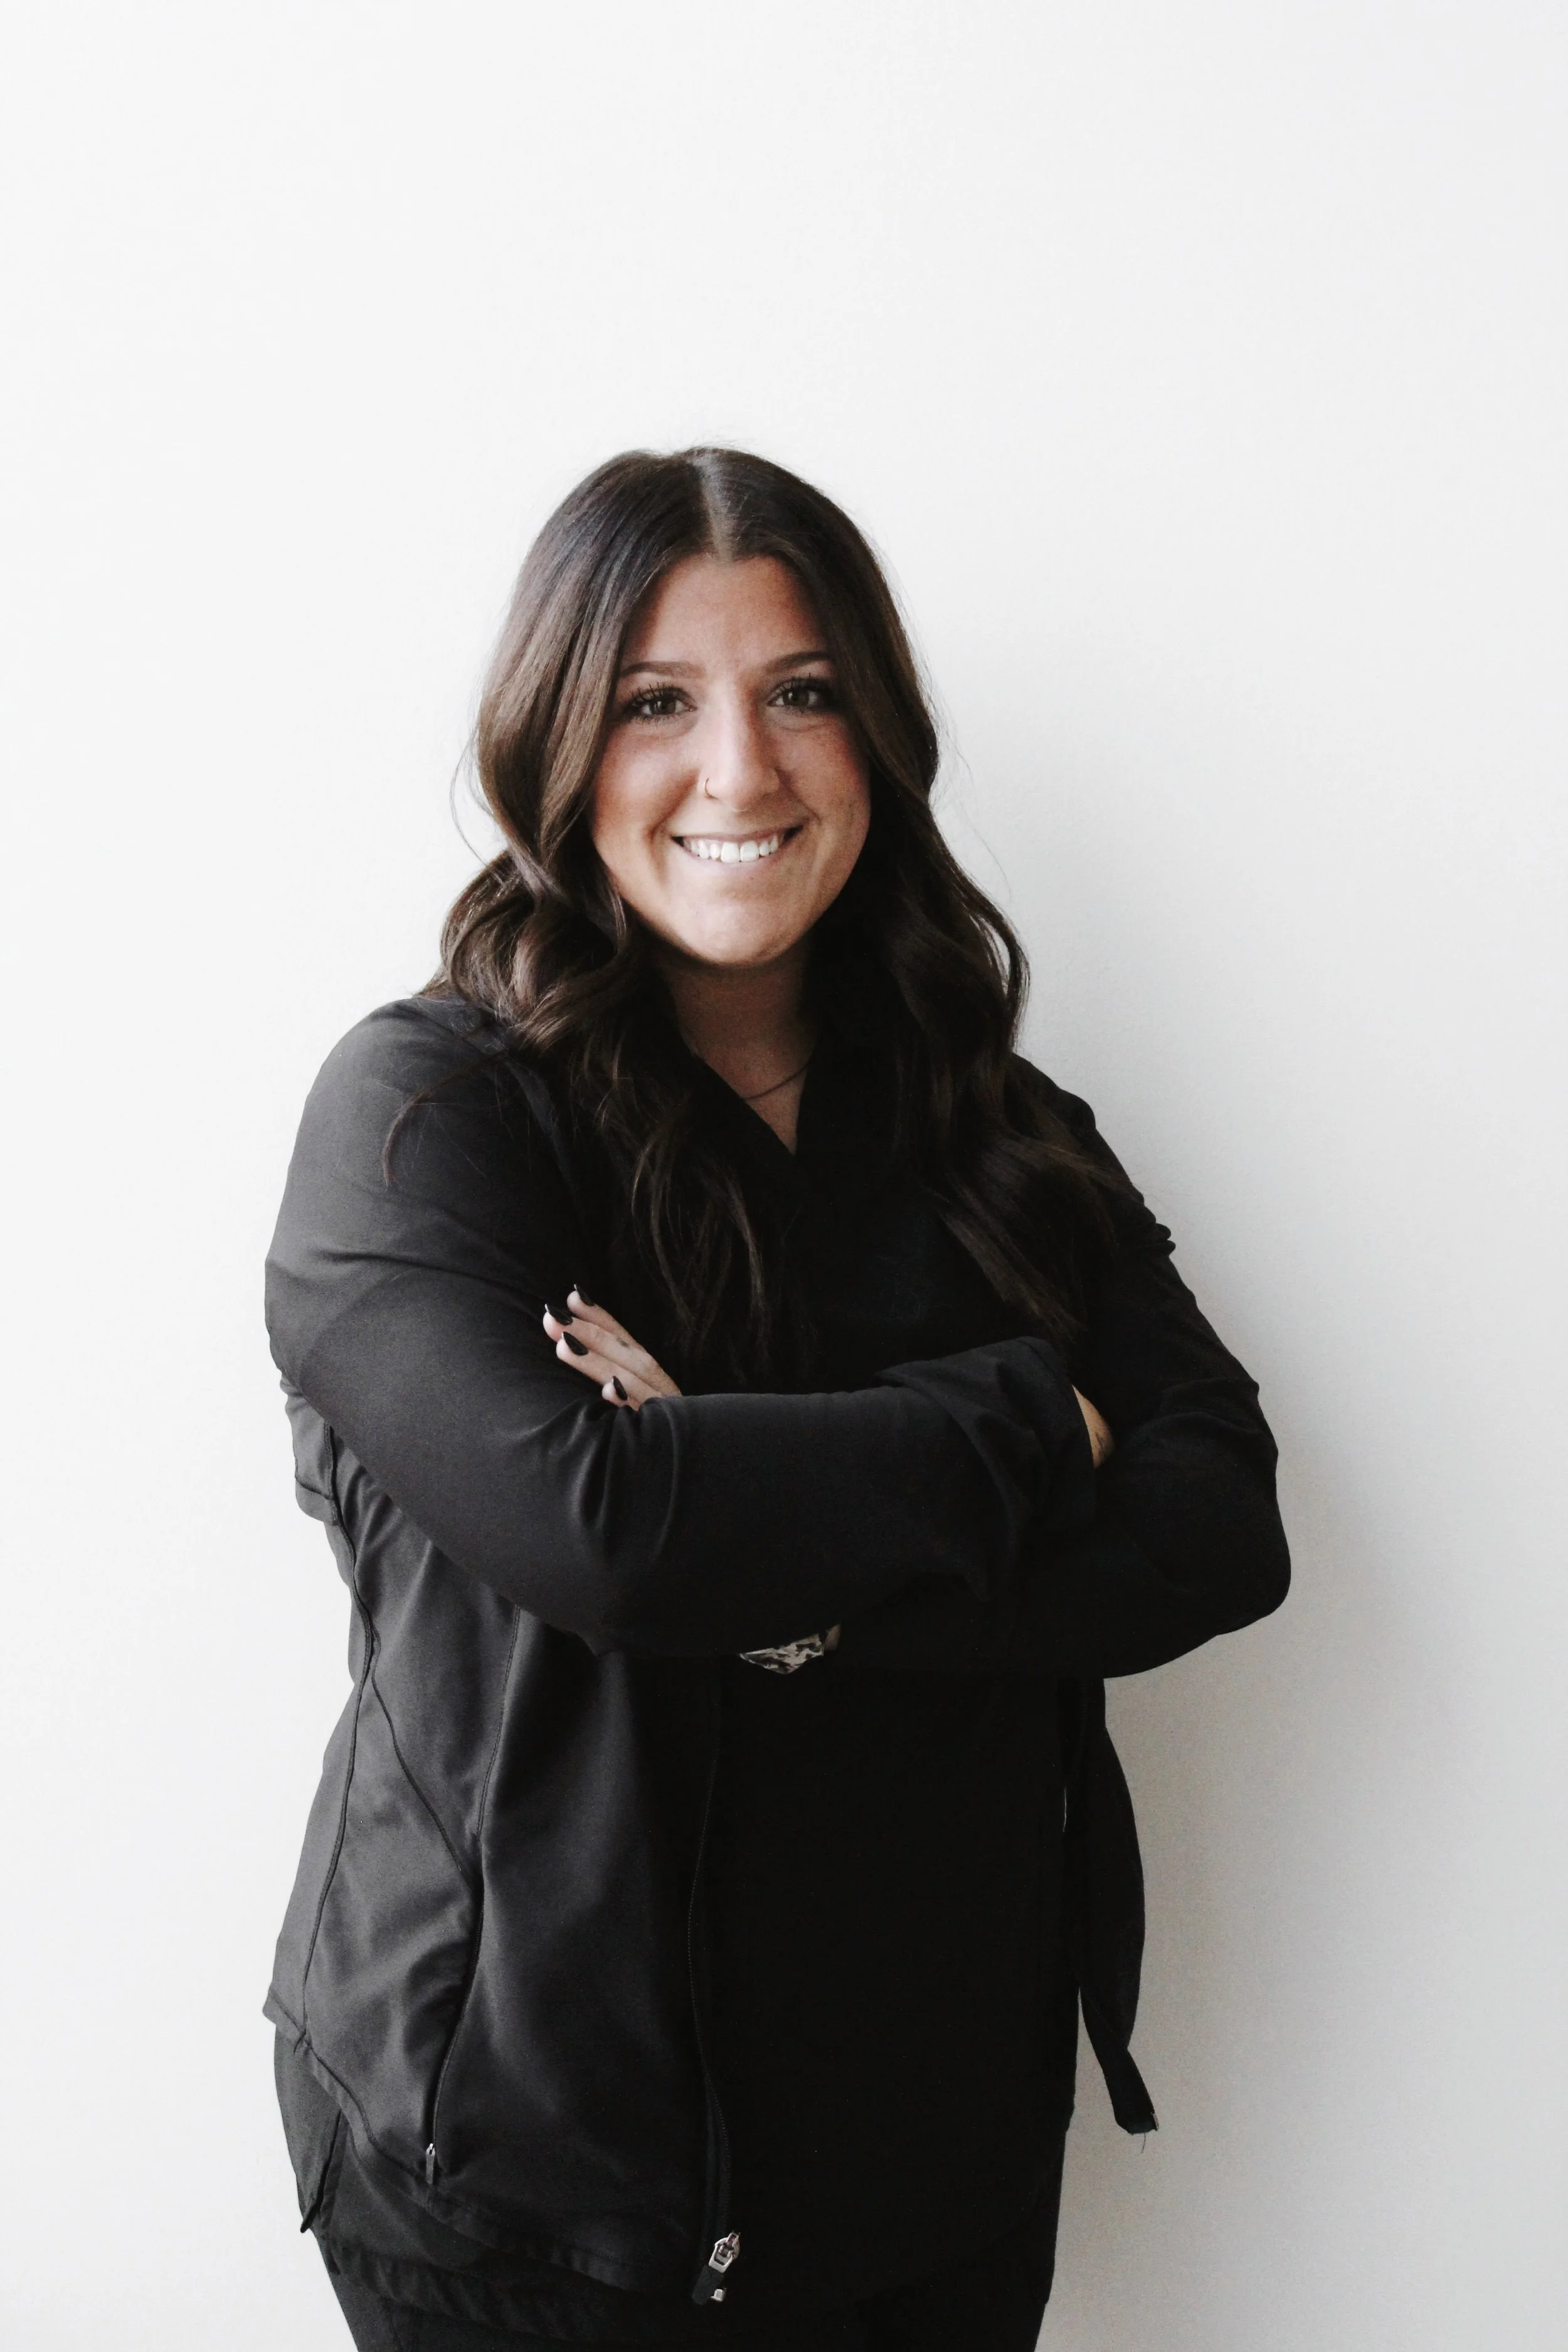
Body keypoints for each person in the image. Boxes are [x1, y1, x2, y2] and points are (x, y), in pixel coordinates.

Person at [265, 447, 1290, 2352]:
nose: (738, 771)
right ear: (555, 743)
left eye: (801, 692)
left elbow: (1222, 1521)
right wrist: (1022, 1425)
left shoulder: (999, 1131)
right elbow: (600, 1532)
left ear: (876, 735)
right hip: (524, 2173)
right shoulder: (423, 1122)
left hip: (931, 2147)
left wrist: (779, 1583)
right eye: (656, 701)